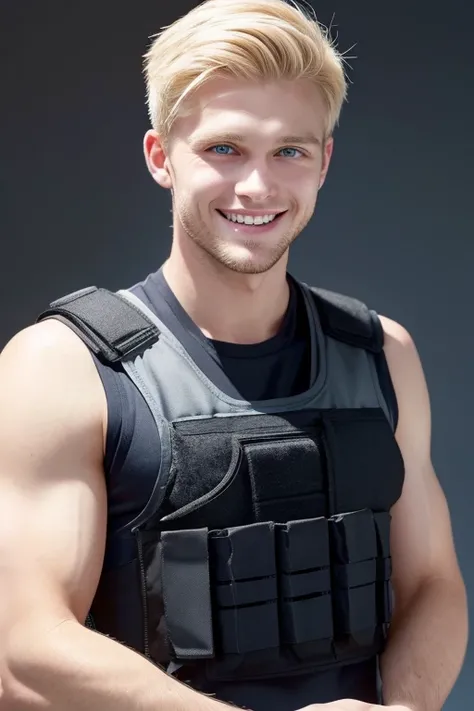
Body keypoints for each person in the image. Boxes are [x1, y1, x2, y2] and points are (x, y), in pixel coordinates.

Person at [0, 0, 468, 709]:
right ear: (162, 157)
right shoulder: (63, 369)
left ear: (324, 162)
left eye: (290, 151)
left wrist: (402, 708)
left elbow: (434, 584)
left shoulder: (381, 355)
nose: (258, 186)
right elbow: (22, 651)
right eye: (224, 149)